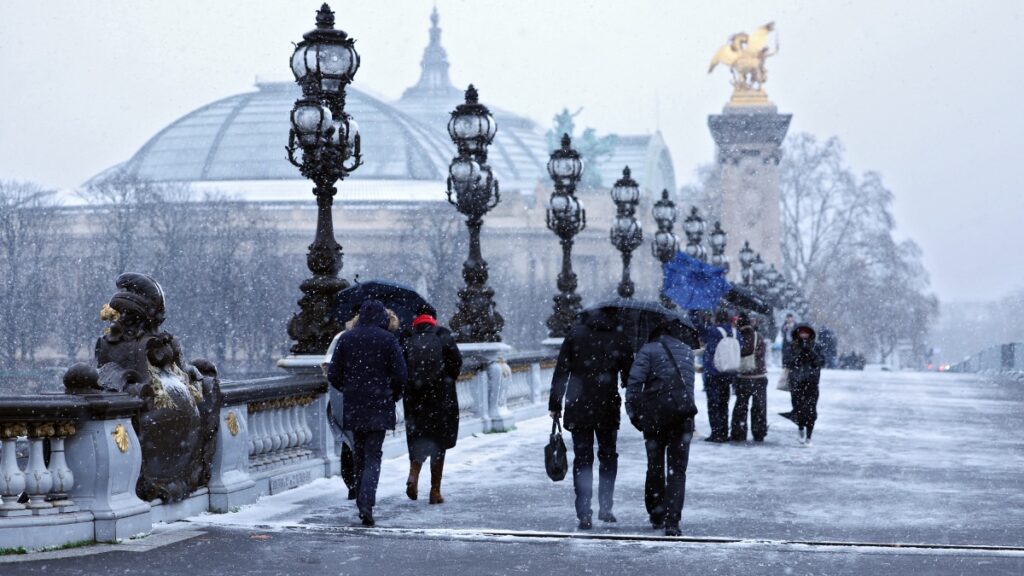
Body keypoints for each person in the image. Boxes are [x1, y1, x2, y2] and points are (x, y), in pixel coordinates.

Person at [548, 308, 634, 530]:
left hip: (579, 404)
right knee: (608, 456)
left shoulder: (575, 335)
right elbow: (629, 373)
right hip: (607, 403)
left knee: (582, 459)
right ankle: (606, 507)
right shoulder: (618, 336)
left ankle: (584, 512)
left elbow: (561, 372)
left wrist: (555, 405)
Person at [326, 299, 407, 527]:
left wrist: (350, 388)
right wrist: (393, 393)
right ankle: (366, 503)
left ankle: (361, 497)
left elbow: (333, 375)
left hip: (355, 405)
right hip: (380, 404)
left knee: (359, 454)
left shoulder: (347, 338)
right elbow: (401, 374)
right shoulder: (388, 340)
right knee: (373, 455)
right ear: (382, 317)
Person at [626, 319, 697, 537]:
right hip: (683, 416)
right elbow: (689, 386)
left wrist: (634, 415)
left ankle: (657, 513)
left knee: (655, 466)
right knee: (678, 471)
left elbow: (634, 385)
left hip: (655, 417)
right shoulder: (687, 351)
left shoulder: (647, 350)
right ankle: (672, 522)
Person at [399, 304, 463, 505]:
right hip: (440, 399)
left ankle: (413, 474)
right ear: (433, 318)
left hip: (414, 399)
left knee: (417, 438)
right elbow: (456, 363)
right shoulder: (443, 335)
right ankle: (435, 491)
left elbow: (400, 368)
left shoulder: (406, 337)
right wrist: (446, 381)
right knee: (438, 443)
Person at [698, 309, 739, 442]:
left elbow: (701, 334)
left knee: (713, 404)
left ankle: (716, 433)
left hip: (713, 372)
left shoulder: (713, 331)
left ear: (716, 319)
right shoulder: (734, 332)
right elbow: (741, 346)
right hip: (728, 372)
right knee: (724, 403)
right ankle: (724, 432)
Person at [781, 324, 825, 446]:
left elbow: (821, 362)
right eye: (802, 333)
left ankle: (809, 436)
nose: (804, 335)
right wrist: (799, 356)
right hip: (796, 383)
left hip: (812, 383)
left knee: (811, 410)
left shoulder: (817, 346)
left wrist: (811, 353)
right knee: (798, 408)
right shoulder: (792, 346)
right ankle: (800, 427)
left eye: (806, 333)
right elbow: (787, 362)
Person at [731, 313, 768, 442]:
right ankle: (759, 432)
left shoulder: (737, 337)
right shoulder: (759, 337)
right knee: (759, 406)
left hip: (743, 377)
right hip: (759, 376)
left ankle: (739, 432)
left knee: (741, 406)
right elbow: (761, 354)